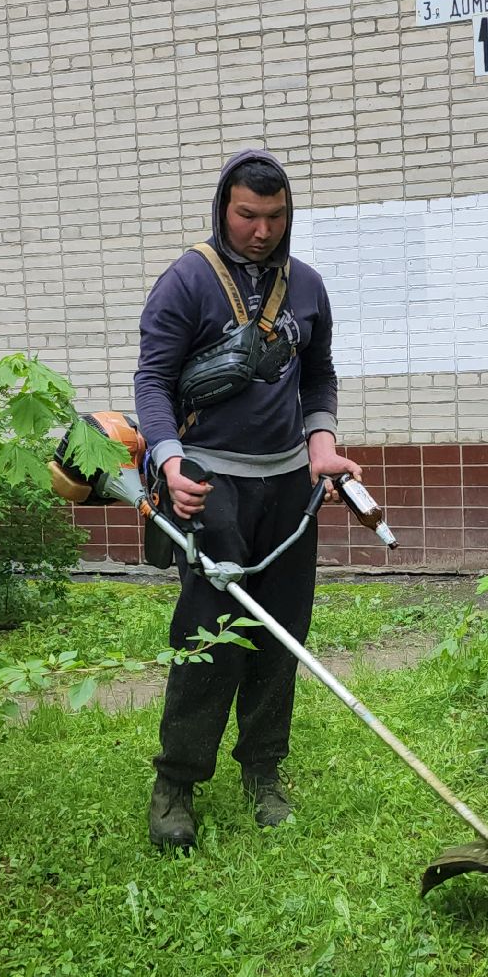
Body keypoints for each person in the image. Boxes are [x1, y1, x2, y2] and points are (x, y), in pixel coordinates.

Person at [133, 150, 362, 850]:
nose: (261, 231)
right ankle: (176, 782)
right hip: (211, 487)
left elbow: (318, 377)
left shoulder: (310, 287)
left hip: (290, 486)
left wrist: (321, 443)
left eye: (275, 217)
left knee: (281, 632)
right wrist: (170, 462)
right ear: (223, 209)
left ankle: (264, 772)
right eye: (246, 215)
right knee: (209, 638)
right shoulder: (187, 281)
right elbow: (152, 383)